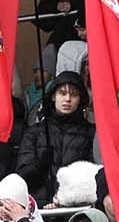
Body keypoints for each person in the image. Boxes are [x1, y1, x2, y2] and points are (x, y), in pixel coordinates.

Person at [15, 73, 94, 205]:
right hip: (40, 211)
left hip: (77, 209)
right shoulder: (34, 132)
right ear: (53, 96)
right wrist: (38, 166)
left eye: (74, 94)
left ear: (80, 99)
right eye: (62, 93)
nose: (67, 99)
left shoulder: (91, 132)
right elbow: (21, 177)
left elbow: (95, 174)